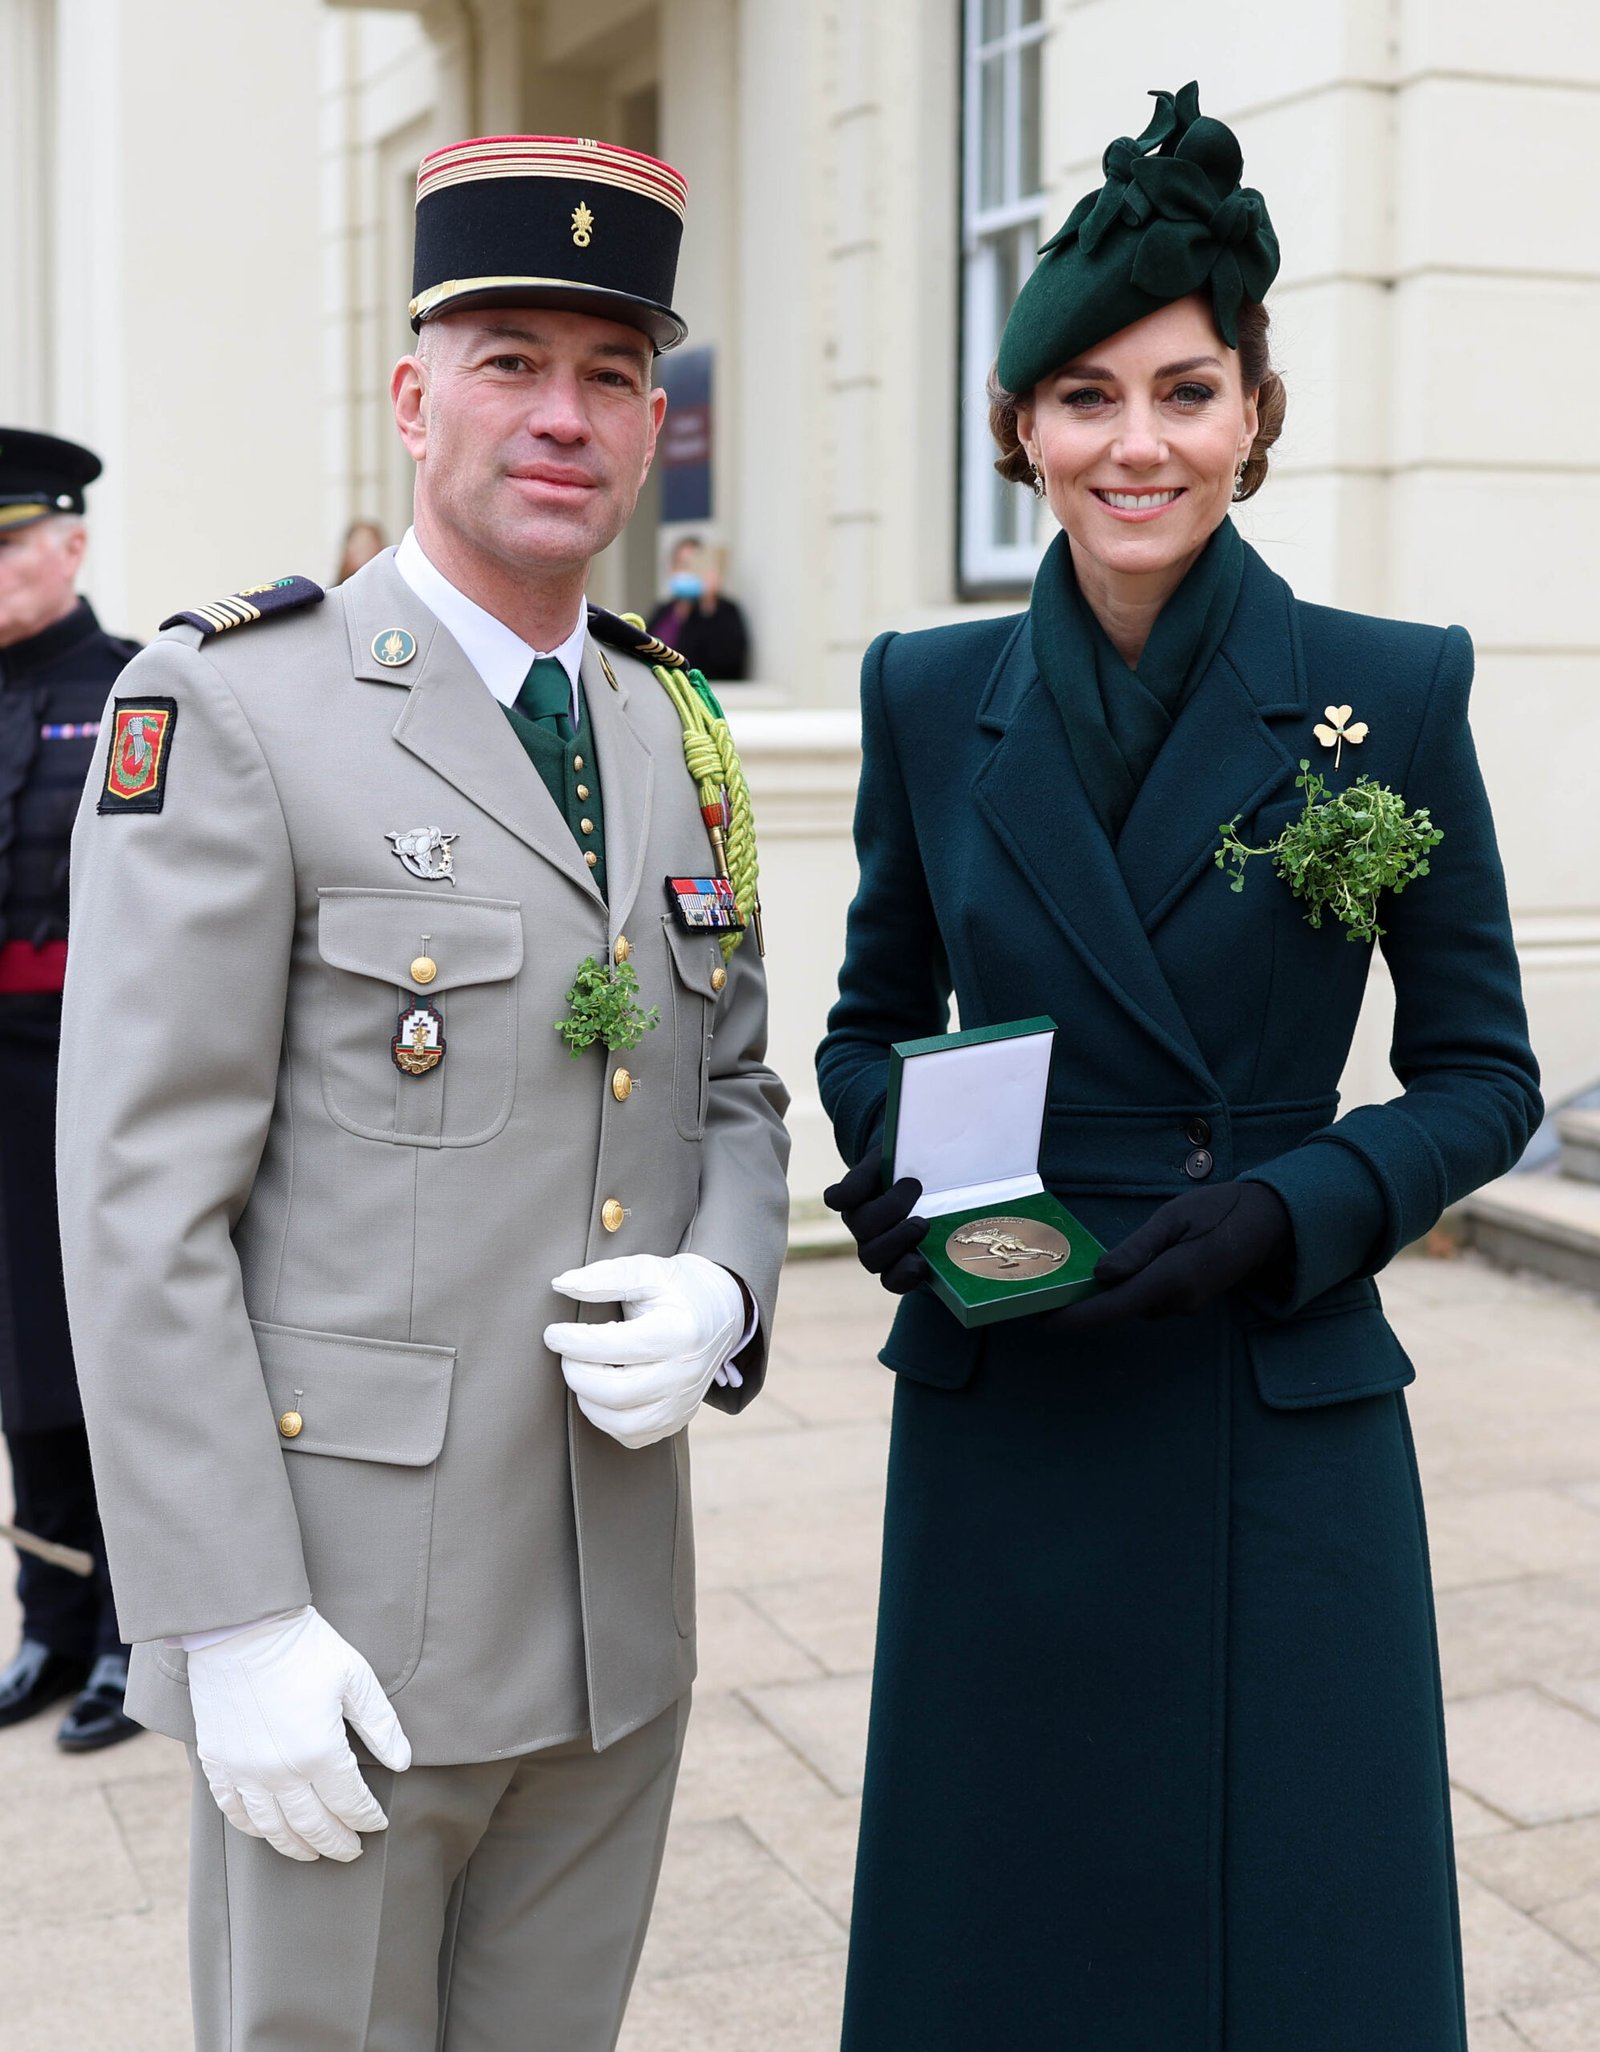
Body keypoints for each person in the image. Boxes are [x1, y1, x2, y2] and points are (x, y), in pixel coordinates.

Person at [817, 83, 1540, 2052]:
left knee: (1287, 1939)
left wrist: (1285, 1208)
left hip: (1262, 1384)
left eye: (1183, 390)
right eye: (1081, 397)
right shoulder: (920, 690)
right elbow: (869, 1023)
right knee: (1009, 1920)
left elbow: (1483, 1074)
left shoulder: (1387, 687)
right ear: (1017, 430)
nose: (1133, 443)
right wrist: (894, 1176)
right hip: (1007, 1356)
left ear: (1252, 414)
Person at [57, 133, 789, 2051]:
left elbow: (733, 1079)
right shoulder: (233, 706)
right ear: (413, 394)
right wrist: (225, 1619)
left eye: (614, 371)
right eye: (511, 359)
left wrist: (727, 1284)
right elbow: (141, 1200)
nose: (567, 415)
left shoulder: (669, 720)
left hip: (616, 1615)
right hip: (346, 1625)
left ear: (653, 416)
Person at [0, 428, 141, 1752]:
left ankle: (126, 1631)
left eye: (6, 541)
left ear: (71, 543)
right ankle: (47, 1614)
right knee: (19, 1370)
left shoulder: (139, 690)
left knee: (107, 1359)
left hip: (90, 1082)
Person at [646, 534, 749, 679]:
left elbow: (727, 662)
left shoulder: (725, 611)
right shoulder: (663, 611)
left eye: (692, 565)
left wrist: (708, 605)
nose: (686, 571)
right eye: (680, 564)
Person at [335, 517, 387, 583]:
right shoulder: (337, 590)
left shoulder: (387, 584)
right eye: (360, 545)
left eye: (369, 545)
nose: (365, 552)